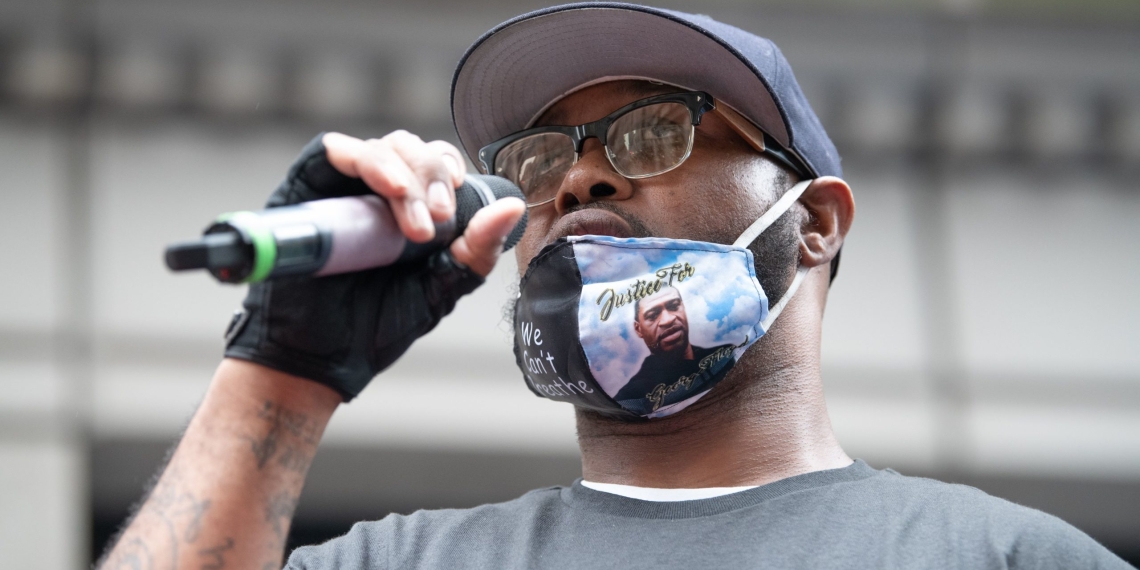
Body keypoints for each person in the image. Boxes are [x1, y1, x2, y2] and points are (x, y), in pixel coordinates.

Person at [98, 3, 1133, 569]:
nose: (581, 176)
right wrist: (282, 374)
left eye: (654, 132)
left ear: (814, 225)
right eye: (541, 158)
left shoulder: (1000, 558)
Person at [614, 286, 734, 415]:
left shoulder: (726, 356)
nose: (668, 319)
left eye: (674, 306)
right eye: (653, 315)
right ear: (638, 329)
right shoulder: (630, 398)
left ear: (684, 308)